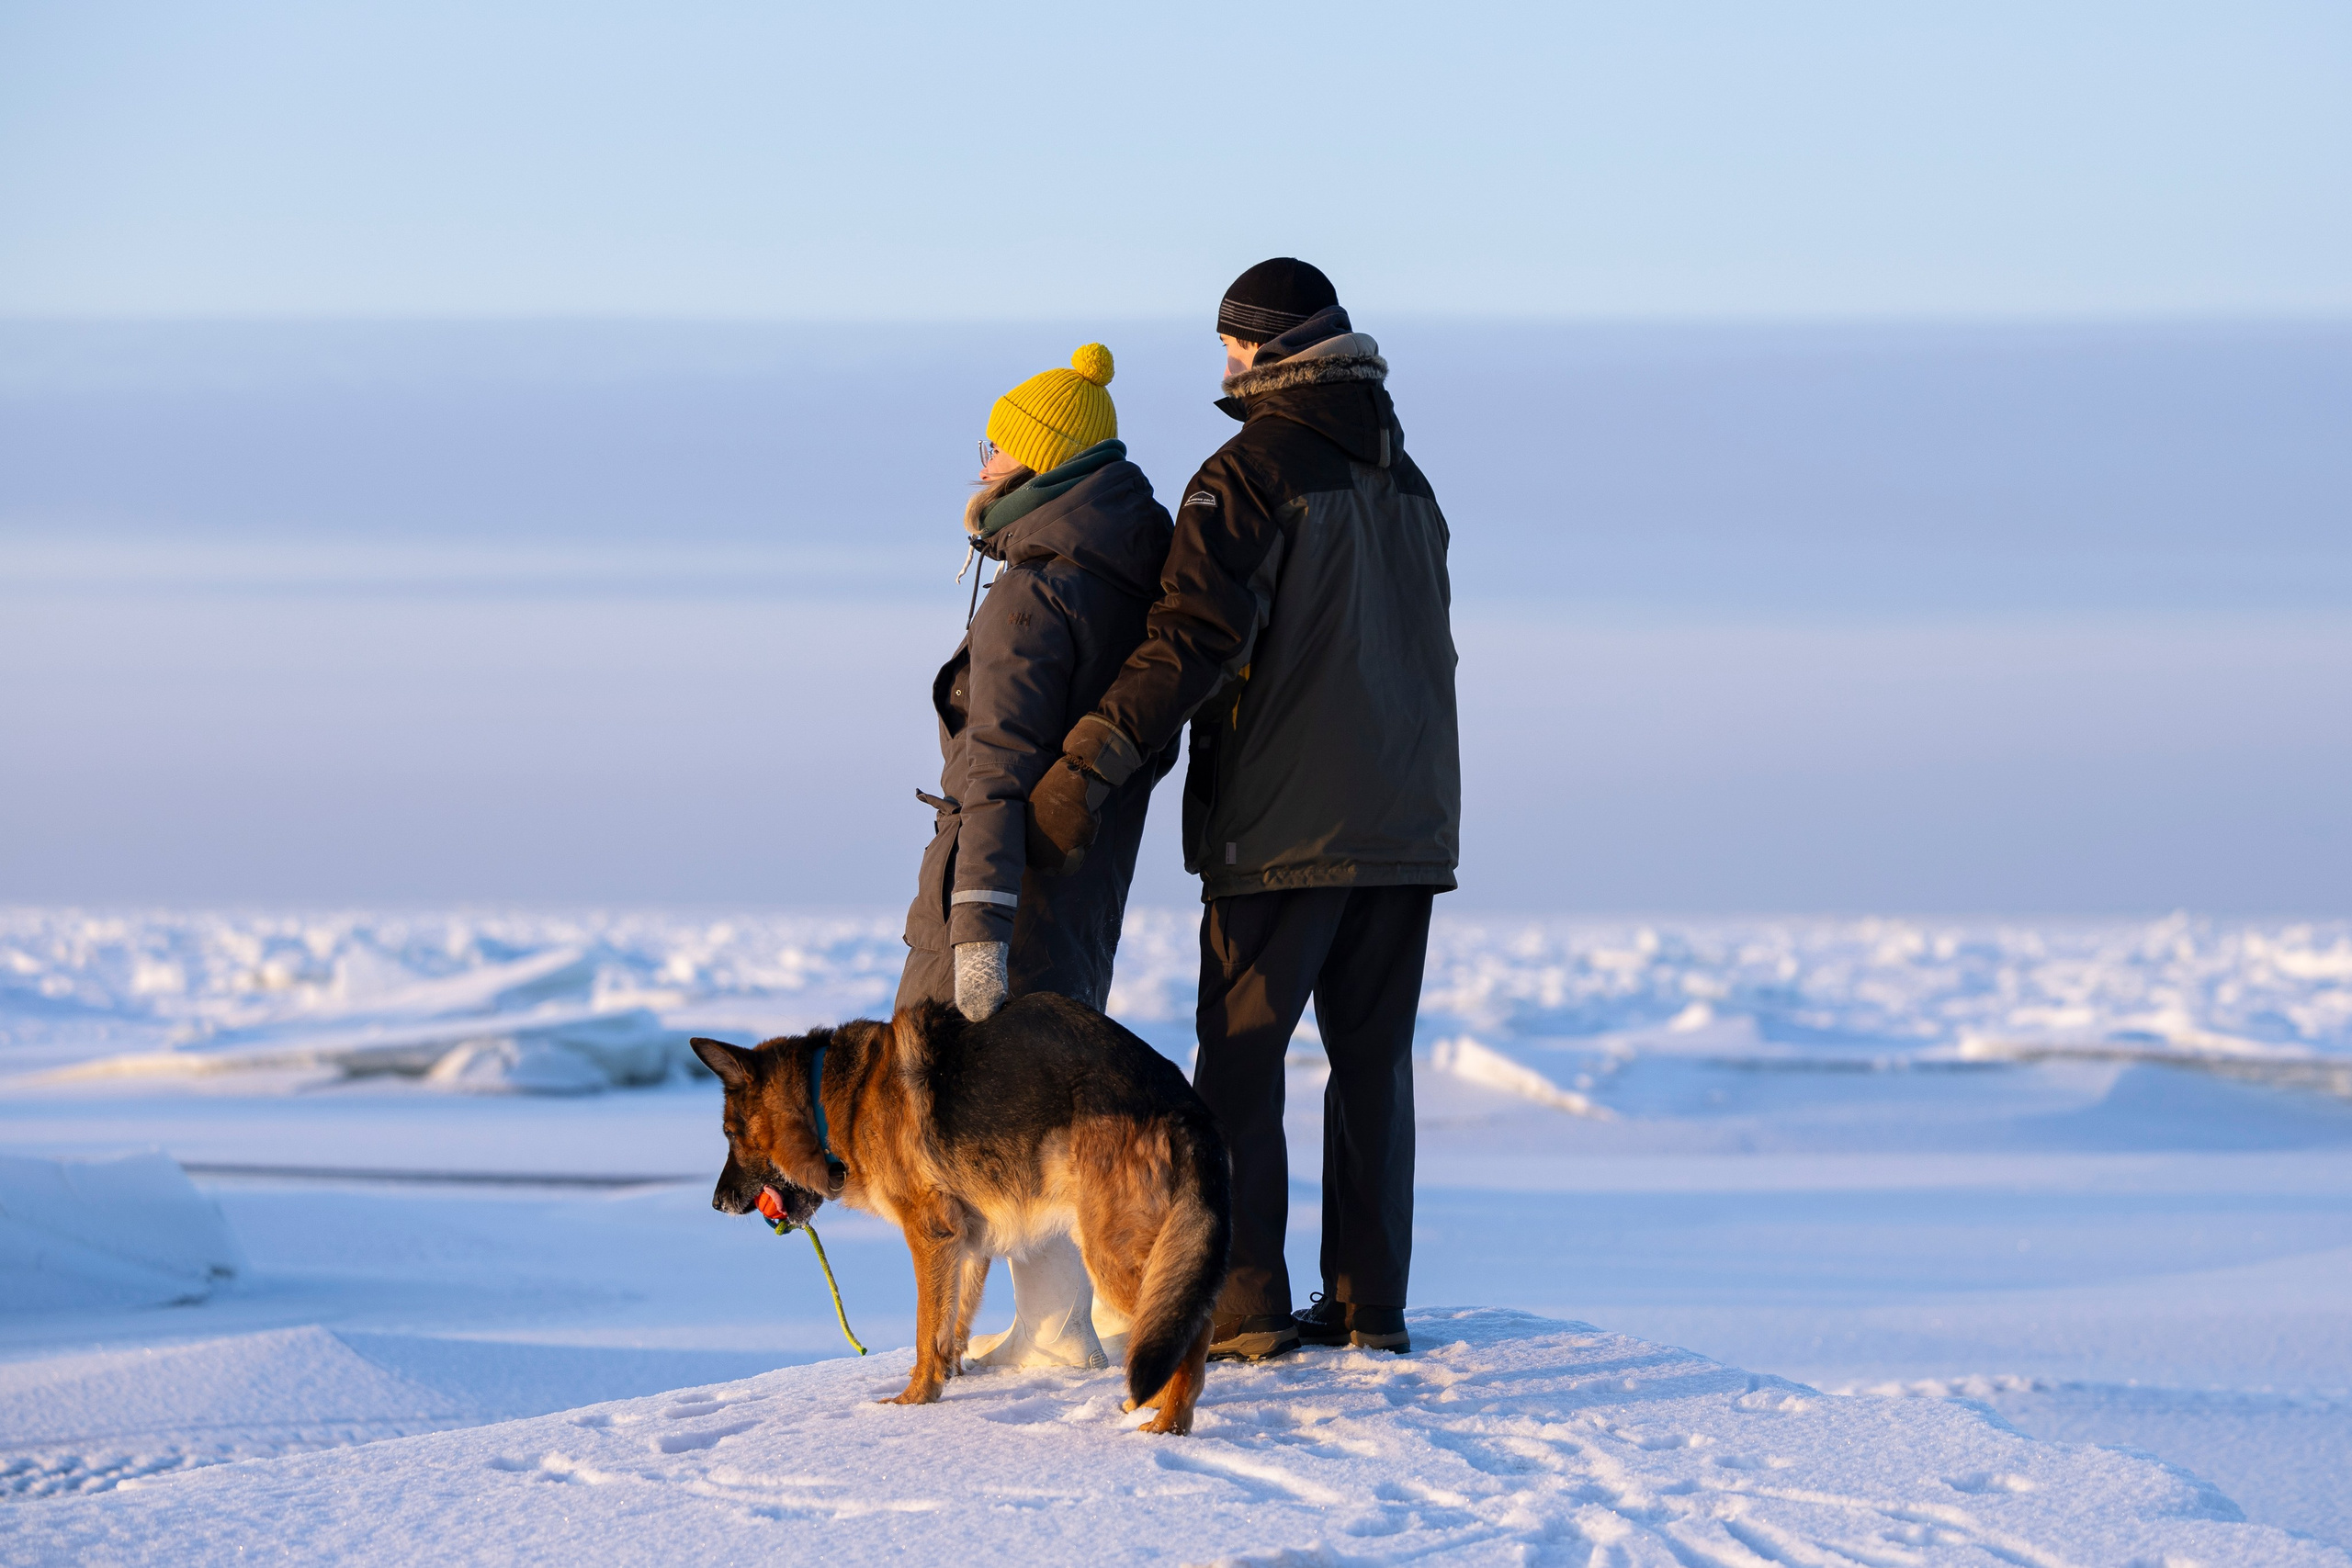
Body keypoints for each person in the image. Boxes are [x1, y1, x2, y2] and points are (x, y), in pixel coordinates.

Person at [1026, 260, 1459, 1361]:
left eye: (1229, 345)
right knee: (1373, 1063)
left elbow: (1192, 643)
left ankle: (1243, 1307)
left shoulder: (1245, 471)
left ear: (1266, 347)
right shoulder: (1409, 483)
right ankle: (1370, 1303)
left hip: (1282, 823)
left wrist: (1088, 763)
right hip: (1406, 818)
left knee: (1242, 1062)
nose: (1220, 364)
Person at [895, 342, 1177, 1369]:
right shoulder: (1122, 582)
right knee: (1045, 1108)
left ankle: (1062, 1328)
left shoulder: (1034, 596)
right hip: (1080, 887)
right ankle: (1061, 1320)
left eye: (994, 449)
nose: (979, 469)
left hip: (1005, 892)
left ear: (1039, 465)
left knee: (981, 1108)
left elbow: (994, 778)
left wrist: (975, 937)